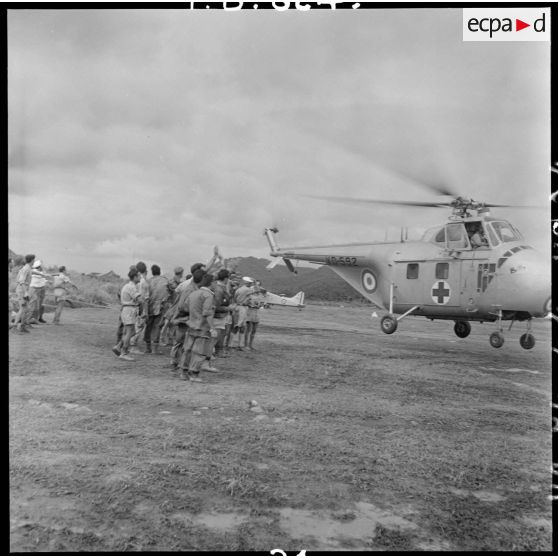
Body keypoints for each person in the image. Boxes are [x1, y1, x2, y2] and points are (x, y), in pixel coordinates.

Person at [179, 273, 217, 382]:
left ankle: (183, 372)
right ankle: (194, 374)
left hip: (191, 325)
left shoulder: (194, 293)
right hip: (202, 328)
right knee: (199, 352)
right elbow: (207, 313)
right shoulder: (209, 295)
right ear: (211, 283)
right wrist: (212, 328)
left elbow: (185, 307)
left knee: (188, 350)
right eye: (214, 282)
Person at [168, 267, 204, 370]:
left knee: (182, 343)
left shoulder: (191, 286)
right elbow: (181, 306)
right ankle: (176, 363)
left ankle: (177, 363)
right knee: (181, 342)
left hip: (184, 317)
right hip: (183, 318)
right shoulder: (189, 288)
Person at [116, 268, 142, 361]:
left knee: (129, 332)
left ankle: (119, 346)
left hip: (127, 310)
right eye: (139, 276)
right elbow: (139, 300)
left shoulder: (127, 286)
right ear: (135, 277)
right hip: (129, 310)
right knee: (130, 332)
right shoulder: (132, 287)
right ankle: (123, 352)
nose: (140, 277)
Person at [144, 264, 169, 354]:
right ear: (159, 271)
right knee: (157, 327)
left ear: (152, 272)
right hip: (161, 307)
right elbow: (168, 294)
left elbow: (146, 295)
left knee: (148, 327)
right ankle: (155, 350)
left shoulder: (149, 281)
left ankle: (148, 348)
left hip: (149, 306)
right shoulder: (165, 281)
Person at [159, 266, 185, 346]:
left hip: (170, 304)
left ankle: (168, 339)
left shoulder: (172, 282)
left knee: (170, 324)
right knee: (167, 324)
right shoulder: (176, 283)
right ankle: (163, 339)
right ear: (181, 273)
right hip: (171, 305)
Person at [129, 261, 149, 353]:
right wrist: (145, 311)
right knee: (139, 326)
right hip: (141, 306)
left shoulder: (135, 281)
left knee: (135, 325)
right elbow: (145, 298)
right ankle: (133, 346)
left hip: (134, 306)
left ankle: (130, 344)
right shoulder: (144, 282)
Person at [212, 269, 232, 358]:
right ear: (226, 278)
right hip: (217, 316)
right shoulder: (219, 289)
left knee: (220, 334)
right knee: (216, 336)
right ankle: (212, 353)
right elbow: (216, 306)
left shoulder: (220, 287)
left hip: (220, 316)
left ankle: (216, 351)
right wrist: (228, 308)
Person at [13, 254, 35, 333]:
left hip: (23, 290)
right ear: (32, 260)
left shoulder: (27, 268)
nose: (34, 261)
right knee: (22, 308)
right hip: (22, 290)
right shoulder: (26, 268)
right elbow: (21, 281)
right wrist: (26, 292)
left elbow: (18, 279)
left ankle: (22, 326)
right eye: (34, 260)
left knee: (25, 308)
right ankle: (14, 327)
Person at [232, 277, 255, 350]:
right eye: (250, 283)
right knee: (240, 326)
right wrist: (255, 283)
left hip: (237, 307)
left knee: (237, 325)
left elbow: (234, 298)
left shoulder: (239, 289)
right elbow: (257, 290)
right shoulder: (247, 290)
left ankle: (231, 344)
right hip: (243, 308)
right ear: (248, 283)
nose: (251, 284)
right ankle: (238, 344)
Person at [245, 281, 266, 350]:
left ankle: (251, 345)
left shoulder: (261, 296)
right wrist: (250, 304)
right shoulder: (249, 295)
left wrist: (260, 305)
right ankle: (246, 345)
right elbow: (245, 302)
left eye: (259, 285)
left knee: (254, 330)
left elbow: (262, 304)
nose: (257, 287)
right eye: (256, 285)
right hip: (250, 312)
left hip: (257, 313)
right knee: (248, 330)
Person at [28, 260, 50, 324]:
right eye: (41, 266)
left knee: (41, 306)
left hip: (41, 290)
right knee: (34, 305)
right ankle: (30, 319)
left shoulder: (41, 272)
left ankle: (38, 318)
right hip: (35, 289)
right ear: (39, 266)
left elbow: (44, 278)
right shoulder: (34, 272)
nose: (43, 267)